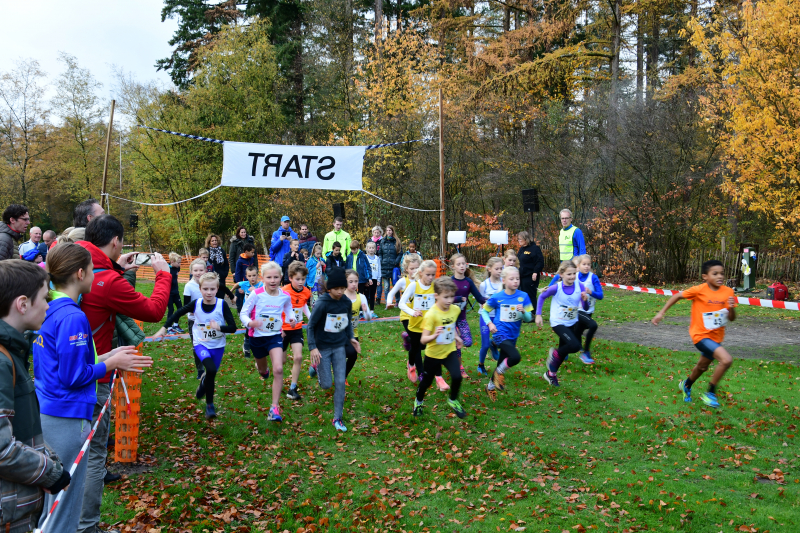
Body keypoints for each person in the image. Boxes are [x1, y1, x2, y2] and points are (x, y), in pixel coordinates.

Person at [33, 244, 154, 533]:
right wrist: (110, 366)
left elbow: (67, 361)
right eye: (92, 270)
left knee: (53, 506)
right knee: (63, 509)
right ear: (80, 273)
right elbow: (74, 375)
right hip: (67, 416)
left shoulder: (50, 306)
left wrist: (110, 356)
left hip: (50, 411)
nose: (95, 276)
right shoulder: (73, 317)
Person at [75, 214, 170, 533]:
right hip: (96, 375)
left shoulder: (74, 263)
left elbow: (98, 286)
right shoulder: (107, 280)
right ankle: (87, 526)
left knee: (72, 454)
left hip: (64, 372)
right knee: (92, 456)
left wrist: (116, 266)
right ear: (116, 242)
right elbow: (154, 311)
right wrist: (163, 275)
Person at [0, 260, 72, 533]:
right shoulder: (2, 360)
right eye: (45, 297)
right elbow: (1, 449)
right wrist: (50, 472)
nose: (48, 305)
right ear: (22, 304)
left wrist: (48, 458)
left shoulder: (12, 352)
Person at [652, 260, 736, 409]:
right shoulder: (699, 290)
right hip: (700, 335)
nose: (719, 276)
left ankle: (686, 385)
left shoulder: (728, 292)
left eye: (722, 273)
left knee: (702, 367)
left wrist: (731, 308)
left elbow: (732, 318)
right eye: (715, 273)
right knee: (726, 360)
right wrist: (661, 312)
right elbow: (677, 296)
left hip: (716, 338)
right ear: (705, 276)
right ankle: (710, 393)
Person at [161, 272, 237, 418]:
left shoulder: (222, 305)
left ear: (217, 289)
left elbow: (233, 327)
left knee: (211, 373)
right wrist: (165, 327)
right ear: (200, 289)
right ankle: (210, 405)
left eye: (212, 289)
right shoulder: (195, 304)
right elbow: (178, 313)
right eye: (205, 289)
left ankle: (203, 384)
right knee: (210, 369)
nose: (209, 292)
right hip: (201, 344)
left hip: (218, 346)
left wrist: (220, 328)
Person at [240, 262, 296, 422]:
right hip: (257, 337)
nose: (272, 280)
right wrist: (250, 323)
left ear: (281, 278)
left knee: (278, 369)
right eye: (269, 277)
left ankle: (274, 408)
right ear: (263, 278)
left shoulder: (284, 296)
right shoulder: (256, 294)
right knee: (263, 371)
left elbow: (288, 308)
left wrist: (291, 318)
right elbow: (244, 313)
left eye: (276, 277)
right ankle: (262, 369)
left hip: (275, 336)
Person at [306, 267, 360, 432]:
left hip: (339, 346)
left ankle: (338, 419)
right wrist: (312, 348)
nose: (340, 292)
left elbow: (347, 323)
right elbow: (310, 326)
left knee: (340, 384)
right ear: (329, 288)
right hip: (322, 348)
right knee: (327, 385)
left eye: (342, 289)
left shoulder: (345, 302)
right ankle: (316, 367)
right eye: (337, 289)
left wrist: (351, 338)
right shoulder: (322, 303)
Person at [414, 277, 466, 418]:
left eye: (451, 297)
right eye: (446, 297)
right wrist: (434, 335)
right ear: (436, 296)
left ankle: (453, 399)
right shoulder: (431, 315)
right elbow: (424, 340)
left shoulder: (454, 310)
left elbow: (450, 325)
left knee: (457, 376)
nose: (449, 301)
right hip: (433, 355)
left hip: (449, 351)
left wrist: (456, 337)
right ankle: (418, 402)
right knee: (426, 382)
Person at [481, 266, 534, 400]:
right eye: (512, 279)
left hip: (513, 335)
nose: (515, 281)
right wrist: (490, 323)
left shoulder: (524, 296)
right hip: (500, 333)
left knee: (501, 363)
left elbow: (528, 318)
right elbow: (484, 311)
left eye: (517, 278)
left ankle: (490, 387)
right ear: (504, 280)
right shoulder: (497, 297)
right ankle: (498, 373)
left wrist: (524, 312)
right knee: (515, 357)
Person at [536, 261, 589, 388]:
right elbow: (542, 297)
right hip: (558, 322)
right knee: (575, 345)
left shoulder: (580, 286)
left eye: (574, 274)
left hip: (571, 322)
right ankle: (554, 355)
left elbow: (585, 308)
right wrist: (538, 314)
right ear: (561, 274)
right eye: (569, 274)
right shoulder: (557, 288)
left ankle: (551, 374)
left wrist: (585, 300)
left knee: (563, 352)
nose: (572, 277)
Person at [548, 254, 603, 364]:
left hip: (588, 310)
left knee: (575, 334)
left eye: (588, 264)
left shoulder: (593, 277)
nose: (586, 266)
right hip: (578, 310)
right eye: (584, 264)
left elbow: (601, 295)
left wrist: (590, 292)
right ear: (578, 265)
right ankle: (585, 352)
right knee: (592, 325)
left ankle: (562, 353)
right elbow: (558, 276)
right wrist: (550, 287)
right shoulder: (574, 276)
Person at [399, 260, 438, 386]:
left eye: (433, 274)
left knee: (426, 347)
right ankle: (414, 366)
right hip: (415, 325)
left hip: (429, 325)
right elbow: (401, 303)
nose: (431, 277)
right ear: (421, 273)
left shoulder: (435, 286)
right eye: (428, 274)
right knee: (416, 349)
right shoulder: (414, 285)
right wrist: (412, 312)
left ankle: (430, 372)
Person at [450, 253, 485, 378]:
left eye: (463, 264)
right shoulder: (450, 281)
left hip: (462, 319)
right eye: (458, 264)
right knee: (457, 345)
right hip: (450, 319)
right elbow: (445, 299)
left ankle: (451, 358)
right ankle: (459, 368)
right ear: (453, 266)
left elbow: (479, 298)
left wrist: (489, 301)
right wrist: (459, 298)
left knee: (468, 342)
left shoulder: (468, 282)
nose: (461, 266)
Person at [282, 261, 312, 401]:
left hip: (296, 329)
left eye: (303, 279)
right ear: (290, 278)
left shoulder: (306, 292)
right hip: (282, 329)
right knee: (280, 361)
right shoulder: (284, 291)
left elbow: (304, 305)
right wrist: (278, 328)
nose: (301, 282)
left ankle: (292, 388)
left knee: (298, 357)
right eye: (298, 279)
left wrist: (311, 318)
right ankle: (277, 381)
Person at [386, 254, 421, 354]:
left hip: (418, 315)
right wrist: (389, 302)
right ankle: (413, 364)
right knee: (415, 341)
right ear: (406, 269)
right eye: (412, 268)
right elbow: (391, 293)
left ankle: (407, 338)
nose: (414, 270)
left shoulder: (421, 281)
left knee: (419, 341)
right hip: (406, 315)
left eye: (417, 268)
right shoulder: (402, 281)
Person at [342, 269, 371, 381]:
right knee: (342, 354)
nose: (354, 284)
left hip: (354, 332)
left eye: (356, 281)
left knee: (353, 356)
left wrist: (366, 311)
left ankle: (343, 377)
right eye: (351, 281)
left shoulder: (361, 297)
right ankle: (321, 363)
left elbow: (368, 318)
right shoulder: (341, 296)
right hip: (340, 333)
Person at [477, 257, 504, 373]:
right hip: (486, 317)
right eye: (496, 268)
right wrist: (483, 304)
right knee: (485, 344)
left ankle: (494, 345)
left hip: (499, 317)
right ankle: (481, 365)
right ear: (489, 269)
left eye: (501, 268)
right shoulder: (484, 285)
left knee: (501, 340)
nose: (499, 271)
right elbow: (479, 300)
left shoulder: (503, 283)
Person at [236, 265, 264, 358]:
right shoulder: (245, 284)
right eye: (250, 276)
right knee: (249, 329)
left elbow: (264, 295)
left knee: (258, 329)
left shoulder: (261, 285)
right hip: (247, 312)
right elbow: (237, 284)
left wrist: (255, 290)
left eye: (254, 275)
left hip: (258, 311)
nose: (252, 278)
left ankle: (259, 347)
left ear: (258, 275)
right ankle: (247, 346)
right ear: (246, 276)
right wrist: (231, 293)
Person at [229, 226, 257, 310]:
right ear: (238, 233)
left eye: (245, 232)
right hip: (240, 272)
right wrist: (233, 271)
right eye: (242, 232)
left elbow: (255, 258)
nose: (243, 234)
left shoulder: (250, 241)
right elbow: (231, 257)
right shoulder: (235, 243)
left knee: (249, 292)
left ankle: (249, 308)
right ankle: (239, 308)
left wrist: (256, 270)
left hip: (250, 274)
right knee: (240, 291)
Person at [517, 231, 544, 313]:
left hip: (530, 276)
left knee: (530, 294)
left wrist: (535, 272)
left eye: (520, 239)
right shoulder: (521, 249)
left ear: (526, 239)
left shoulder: (534, 249)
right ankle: (525, 312)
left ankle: (532, 313)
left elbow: (540, 261)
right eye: (518, 239)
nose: (519, 241)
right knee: (523, 294)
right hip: (522, 276)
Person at [377, 225, 401, 305]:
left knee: (395, 286)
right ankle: (388, 302)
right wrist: (381, 260)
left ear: (392, 231)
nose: (388, 232)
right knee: (386, 286)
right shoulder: (383, 241)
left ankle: (397, 301)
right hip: (385, 267)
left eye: (390, 230)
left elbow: (400, 253)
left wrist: (396, 262)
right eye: (387, 230)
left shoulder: (397, 241)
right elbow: (380, 253)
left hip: (394, 268)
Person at [234, 243, 258, 311]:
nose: (253, 254)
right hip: (242, 284)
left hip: (250, 284)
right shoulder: (239, 261)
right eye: (252, 252)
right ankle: (240, 311)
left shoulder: (252, 259)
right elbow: (237, 274)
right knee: (240, 298)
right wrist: (239, 287)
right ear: (246, 252)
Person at [167, 253, 183, 330]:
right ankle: (169, 327)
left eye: (180, 262)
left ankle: (175, 324)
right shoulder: (167, 269)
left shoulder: (177, 268)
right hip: (169, 293)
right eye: (178, 263)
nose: (179, 264)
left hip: (176, 292)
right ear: (172, 262)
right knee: (171, 309)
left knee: (180, 308)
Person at [306, 243, 325, 307]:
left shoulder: (322, 260)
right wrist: (315, 267)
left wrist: (324, 265)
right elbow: (307, 270)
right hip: (313, 281)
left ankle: (320, 308)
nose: (319, 255)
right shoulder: (310, 260)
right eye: (317, 254)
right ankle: (314, 308)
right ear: (314, 252)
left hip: (320, 281)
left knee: (321, 295)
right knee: (315, 295)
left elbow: (325, 270)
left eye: (320, 254)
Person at [364, 241, 381, 311]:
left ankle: (372, 310)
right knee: (366, 295)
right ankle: (365, 311)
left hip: (374, 279)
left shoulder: (377, 258)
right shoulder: (365, 257)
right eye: (370, 248)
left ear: (375, 249)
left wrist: (379, 279)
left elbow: (379, 269)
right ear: (367, 248)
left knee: (372, 295)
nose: (371, 249)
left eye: (373, 248)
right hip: (367, 279)